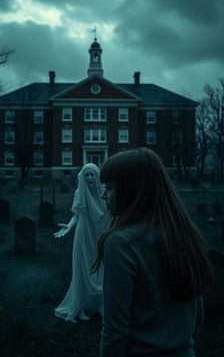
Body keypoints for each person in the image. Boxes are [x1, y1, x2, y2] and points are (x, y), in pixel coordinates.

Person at [91, 148, 214, 357]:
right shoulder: (187, 233)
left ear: (133, 191)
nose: (103, 195)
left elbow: (115, 331)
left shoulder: (120, 243)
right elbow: (198, 312)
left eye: (110, 188)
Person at [54, 163, 107, 323]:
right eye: (86, 175)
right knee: (83, 270)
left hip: (101, 234)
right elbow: (77, 214)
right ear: (82, 178)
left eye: (92, 174)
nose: (89, 178)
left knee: (102, 270)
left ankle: (100, 305)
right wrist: (69, 227)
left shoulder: (104, 192)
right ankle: (79, 307)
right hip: (84, 235)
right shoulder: (79, 193)